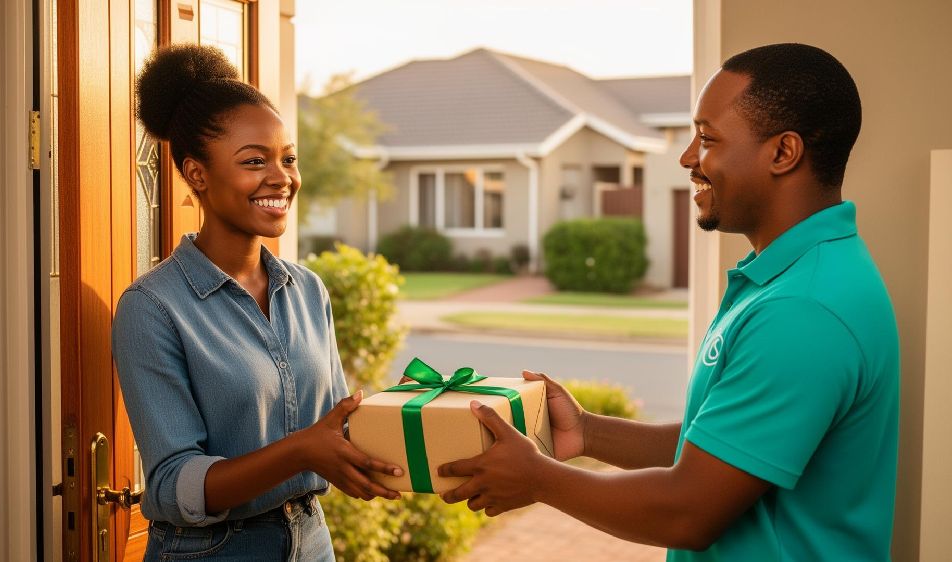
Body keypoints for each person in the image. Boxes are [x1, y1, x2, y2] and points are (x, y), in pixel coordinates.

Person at [437, 43, 899, 561]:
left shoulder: (803, 309)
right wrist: (587, 431)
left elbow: (687, 510)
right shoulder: (798, 277)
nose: (686, 158)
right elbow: (724, 448)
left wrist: (539, 478)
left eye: (707, 138)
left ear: (782, 153)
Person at [111, 44, 402, 561]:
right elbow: (174, 486)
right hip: (210, 550)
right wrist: (302, 451)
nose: (282, 177)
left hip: (310, 539)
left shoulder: (307, 289)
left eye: (288, 159)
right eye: (254, 161)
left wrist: (428, 417)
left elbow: (337, 424)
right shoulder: (152, 308)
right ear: (197, 174)